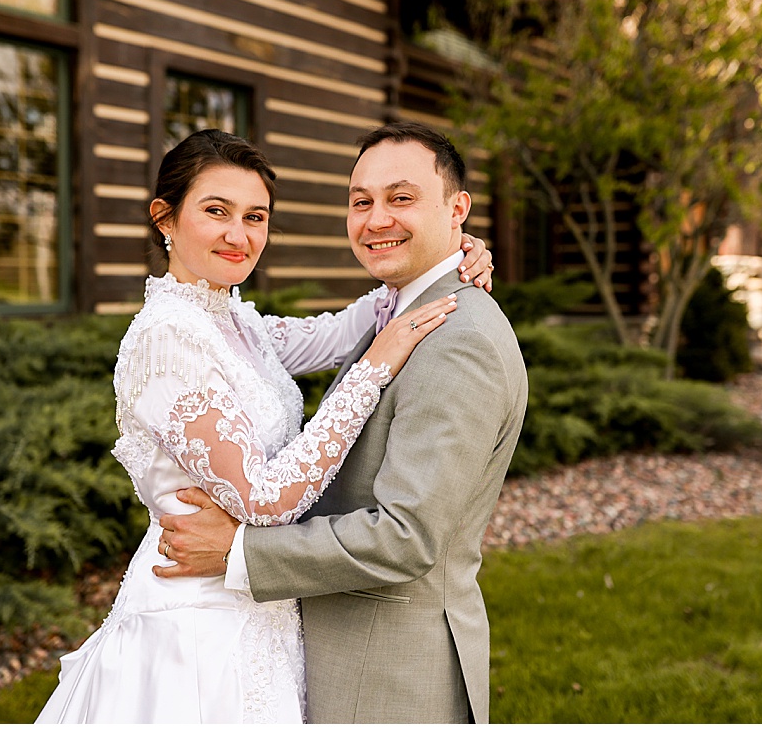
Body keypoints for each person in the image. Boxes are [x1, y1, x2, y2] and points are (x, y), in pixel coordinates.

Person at [34, 128, 495, 724]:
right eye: (216, 211)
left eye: (255, 216)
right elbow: (263, 499)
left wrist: (452, 249)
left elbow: (349, 326)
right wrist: (373, 371)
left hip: (261, 604)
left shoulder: (236, 324)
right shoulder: (166, 340)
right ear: (165, 218)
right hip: (197, 619)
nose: (239, 235)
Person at [153, 122, 529, 724]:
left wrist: (239, 551)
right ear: (165, 218)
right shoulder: (397, 314)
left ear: (457, 208)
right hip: (234, 629)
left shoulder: (457, 341)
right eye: (361, 202)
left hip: (384, 673)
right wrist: (448, 250)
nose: (377, 219)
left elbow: (406, 536)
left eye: (401, 198)